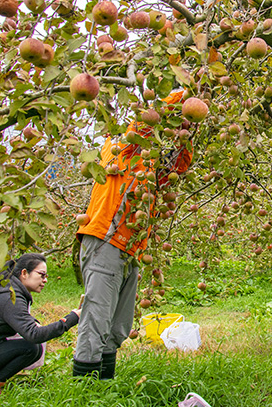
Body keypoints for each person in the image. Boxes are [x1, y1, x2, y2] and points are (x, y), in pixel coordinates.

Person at [72, 90, 192, 379]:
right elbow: (148, 120)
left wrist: (188, 128)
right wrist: (188, 91)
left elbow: (179, 167)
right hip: (105, 240)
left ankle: (104, 382)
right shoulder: (120, 148)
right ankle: (84, 389)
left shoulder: (147, 166)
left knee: (119, 326)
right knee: (97, 318)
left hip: (130, 249)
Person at [0, 253, 81, 398]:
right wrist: (71, 318)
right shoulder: (11, 297)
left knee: (30, 346)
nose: (45, 280)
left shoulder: (10, 291)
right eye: (42, 275)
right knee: (30, 348)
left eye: (47, 276)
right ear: (24, 273)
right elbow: (34, 335)